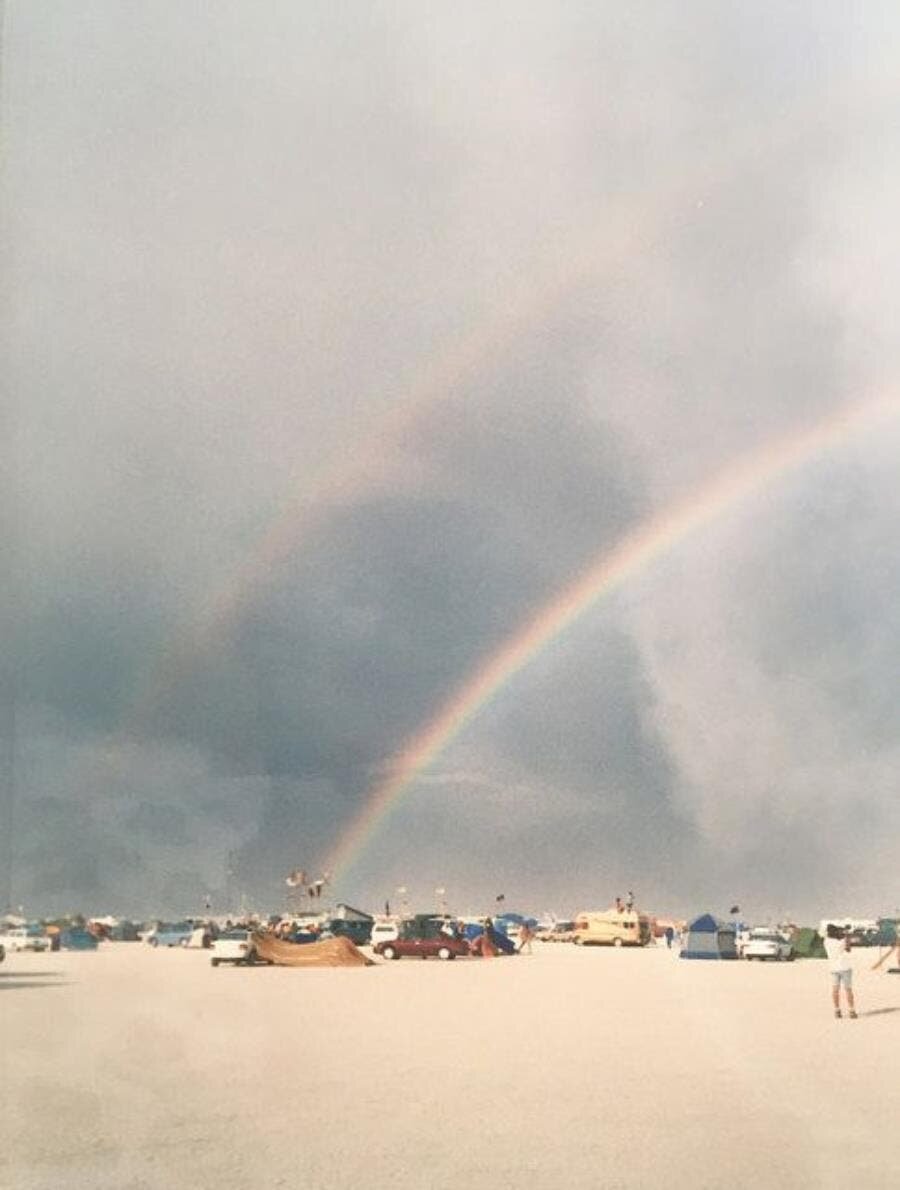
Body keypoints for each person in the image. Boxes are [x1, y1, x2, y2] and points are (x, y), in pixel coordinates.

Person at [823, 924, 857, 1019]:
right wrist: (847, 934)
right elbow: (848, 949)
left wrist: (842, 932)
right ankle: (851, 1010)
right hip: (845, 967)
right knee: (848, 990)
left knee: (835, 990)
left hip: (833, 968)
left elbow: (834, 937)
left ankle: (837, 1010)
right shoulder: (841, 941)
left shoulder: (826, 941)